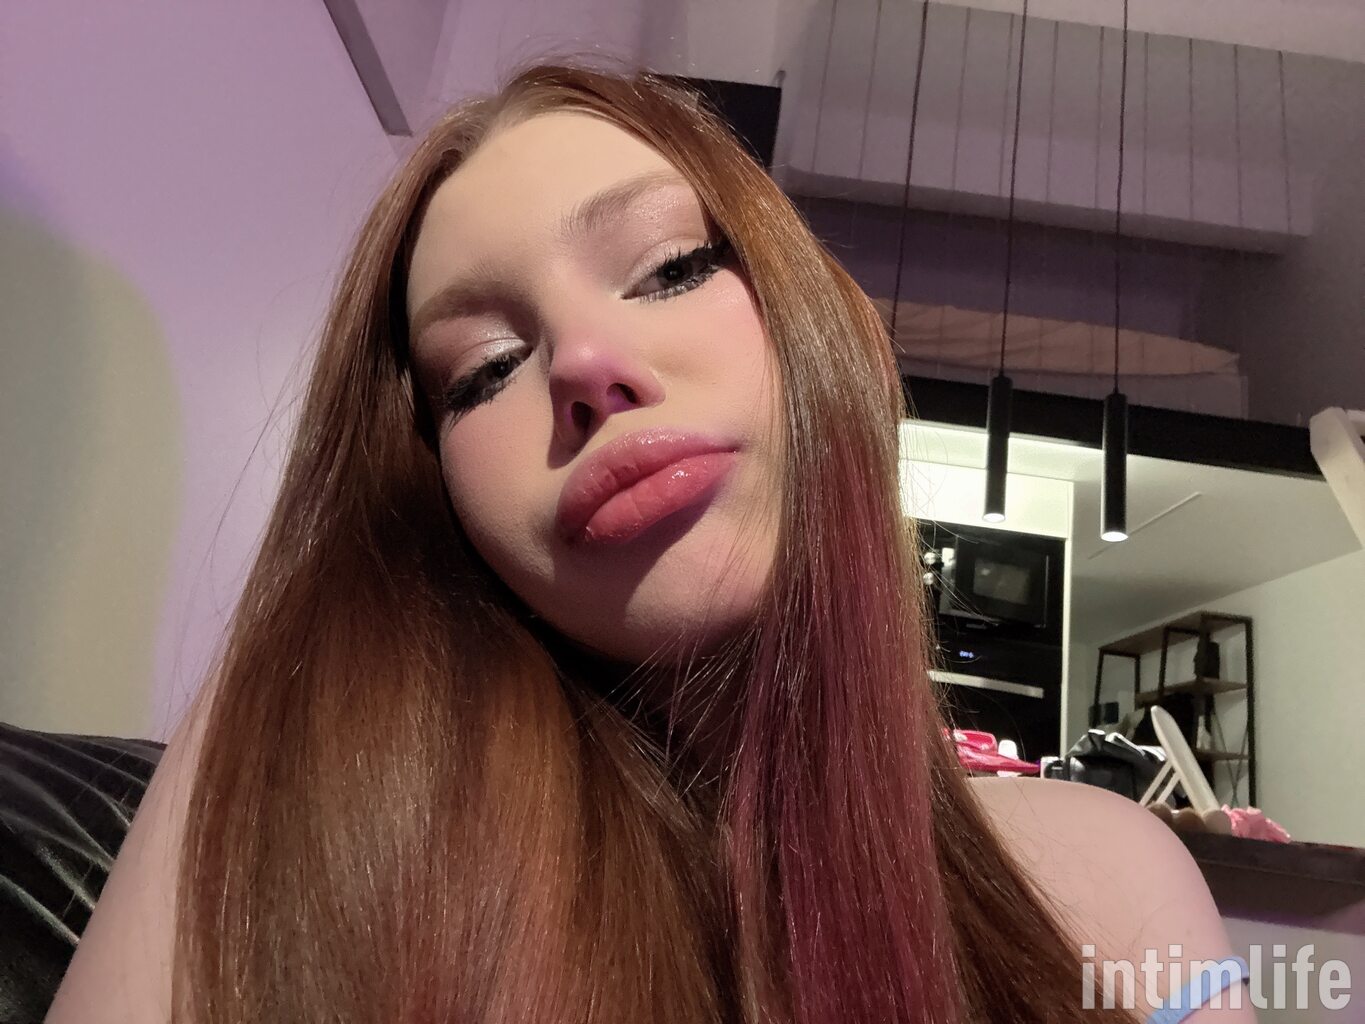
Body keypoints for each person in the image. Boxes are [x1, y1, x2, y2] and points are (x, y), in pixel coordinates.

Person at [46, 60, 1254, 1024]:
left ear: (813, 320)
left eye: (670, 268)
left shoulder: (1112, 881)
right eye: (484, 371)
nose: (582, 362)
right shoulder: (316, 782)